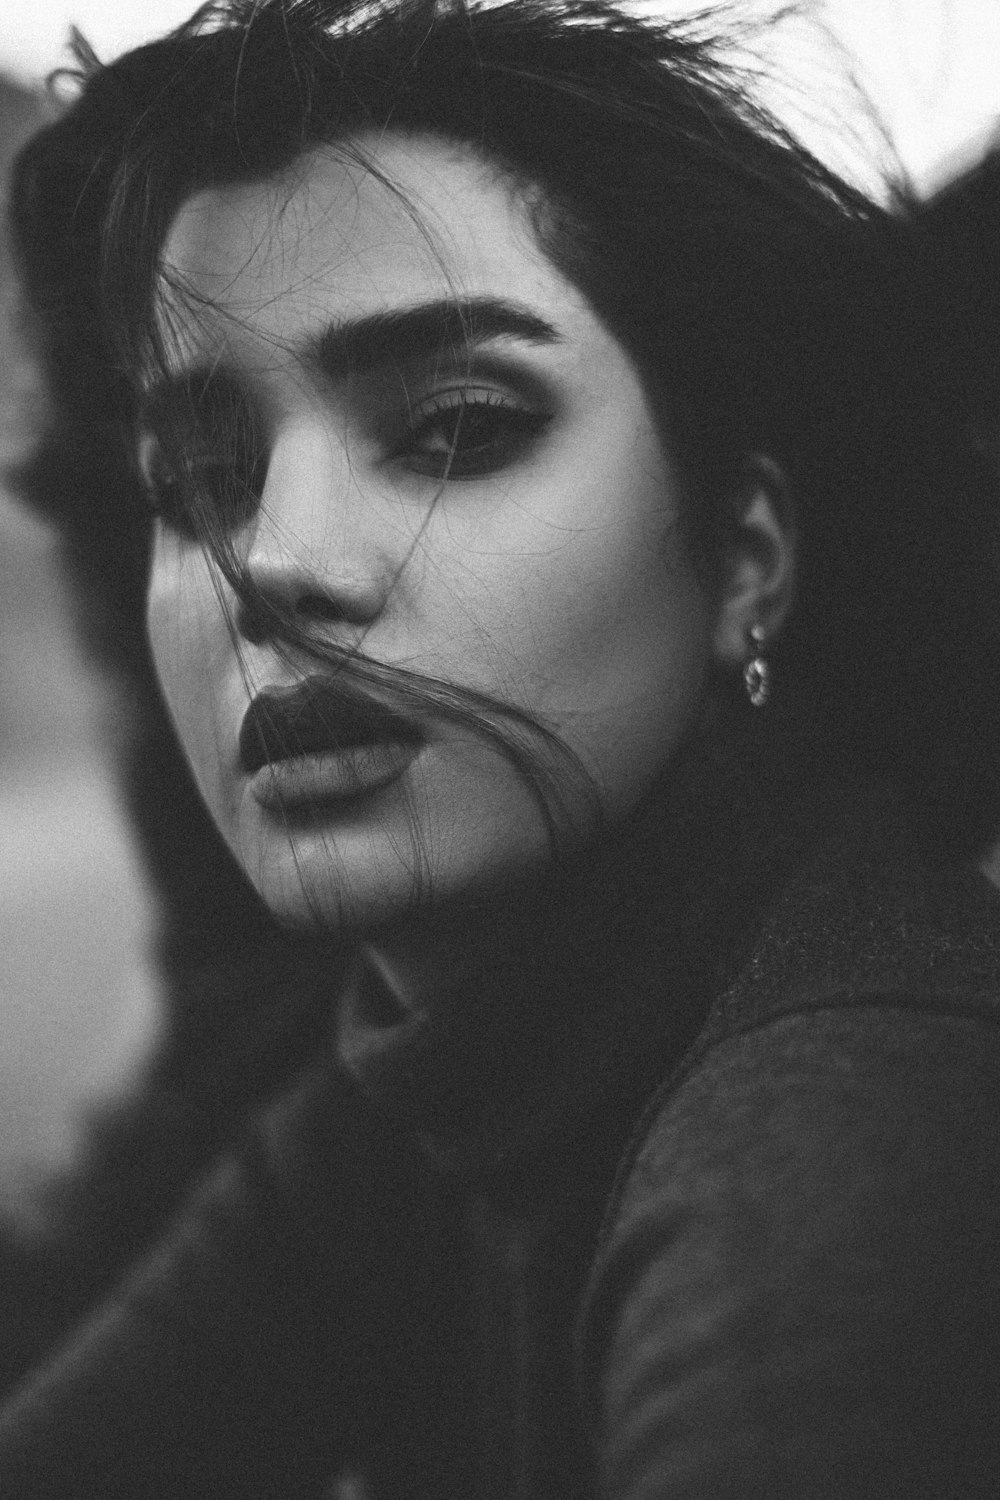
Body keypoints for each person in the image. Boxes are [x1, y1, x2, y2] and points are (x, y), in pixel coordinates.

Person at [2, 0, 1000, 1494]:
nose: (270, 562)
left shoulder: (821, 1169)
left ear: (744, 560)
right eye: (200, 476)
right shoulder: (446, 1069)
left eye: (456, 429)